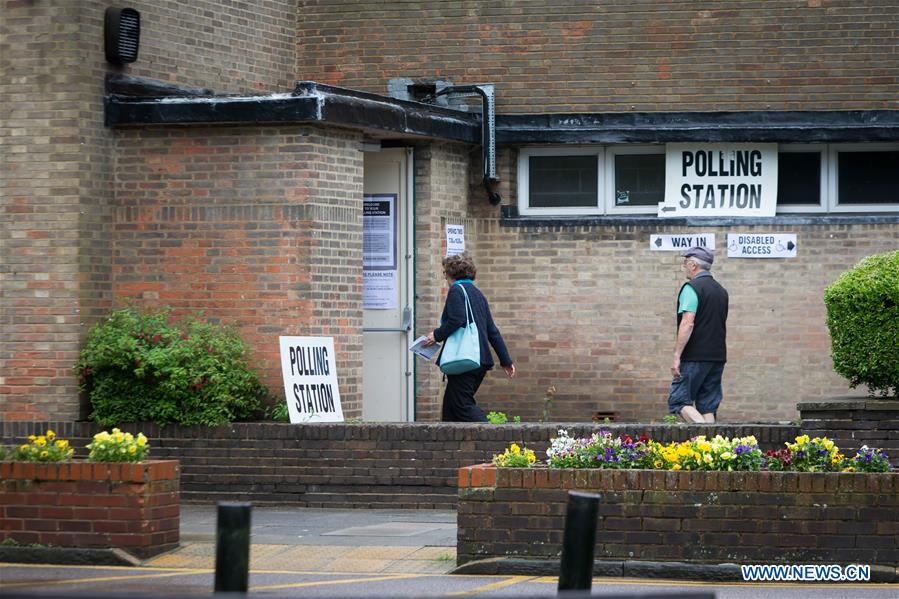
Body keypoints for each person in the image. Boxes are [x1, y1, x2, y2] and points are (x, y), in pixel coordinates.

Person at [423, 253, 515, 422]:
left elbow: (457, 319)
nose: (444, 276)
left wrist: (436, 335)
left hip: (466, 358)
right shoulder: (478, 294)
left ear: (451, 273)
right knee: (451, 407)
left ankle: (495, 436)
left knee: (462, 405)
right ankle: (451, 447)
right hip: (479, 360)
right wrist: (506, 361)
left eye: (444, 272)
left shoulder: (456, 290)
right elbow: (492, 331)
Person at [668, 246, 729, 423]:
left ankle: (705, 438)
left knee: (678, 401)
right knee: (707, 405)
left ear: (693, 264)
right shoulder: (721, 291)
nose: (684, 266)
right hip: (717, 356)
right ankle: (713, 449)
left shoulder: (691, 288)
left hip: (694, 355)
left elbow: (688, 322)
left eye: (685, 262)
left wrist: (677, 356)